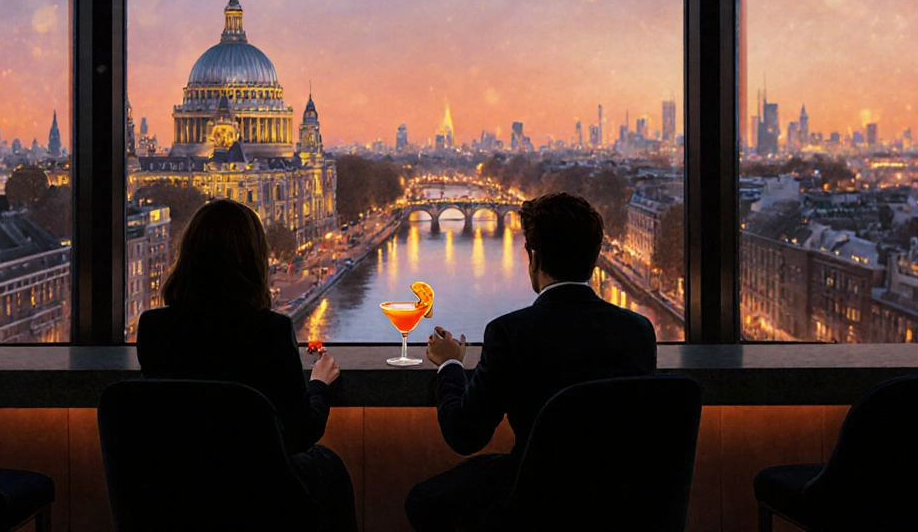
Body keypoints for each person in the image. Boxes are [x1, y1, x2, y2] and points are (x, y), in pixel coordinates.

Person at [405, 192, 658, 532]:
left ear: (534, 260)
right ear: (594, 259)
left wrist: (450, 366)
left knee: (423, 500)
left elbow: (465, 436)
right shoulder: (639, 330)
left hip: (536, 496)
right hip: (622, 499)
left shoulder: (510, 333)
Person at [136, 199, 357, 532]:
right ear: (254, 260)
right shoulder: (270, 331)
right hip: (258, 500)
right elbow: (300, 434)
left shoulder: (152, 328)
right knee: (329, 465)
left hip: (176, 495)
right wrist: (320, 385)